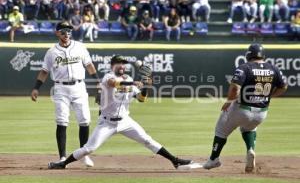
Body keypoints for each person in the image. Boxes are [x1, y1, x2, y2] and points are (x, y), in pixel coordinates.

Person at [48, 55, 195, 170]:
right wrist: (133, 83)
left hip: (125, 121)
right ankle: (63, 163)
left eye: (124, 63)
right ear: (113, 65)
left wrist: (146, 87)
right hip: (106, 122)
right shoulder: (108, 77)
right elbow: (114, 83)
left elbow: (141, 99)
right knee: (89, 148)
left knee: (147, 140)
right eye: (119, 63)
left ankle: (175, 161)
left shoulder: (129, 78)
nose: (122, 66)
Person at [201, 44, 288, 173]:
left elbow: (236, 88)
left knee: (221, 130)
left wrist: (228, 102)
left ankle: (214, 159)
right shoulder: (274, 69)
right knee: (249, 127)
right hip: (261, 113)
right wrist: (270, 96)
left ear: (248, 55)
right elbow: (284, 86)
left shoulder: (244, 67)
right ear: (263, 55)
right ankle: (250, 149)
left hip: (242, 109)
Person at [31, 21, 98, 168]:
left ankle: (83, 155)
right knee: (62, 121)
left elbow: (89, 65)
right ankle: (62, 157)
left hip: (79, 87)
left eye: (68, 31)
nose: (66, 34)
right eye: (63, 31)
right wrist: (36, 88)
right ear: (57, 33)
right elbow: (44, 71)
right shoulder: (52, 52)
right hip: (61, 88)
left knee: (85, 120)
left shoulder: (80, 47)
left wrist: (97, 81)